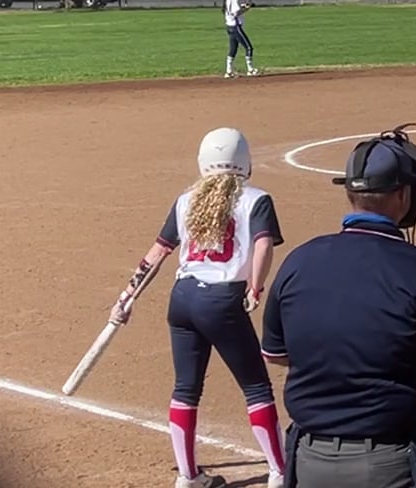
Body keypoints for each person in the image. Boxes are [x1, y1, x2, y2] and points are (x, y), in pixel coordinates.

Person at [262, 128, 416, 488]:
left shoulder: (298, 262)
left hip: (309, 462)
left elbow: (277, 355)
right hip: (393, 467)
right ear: (403, 194)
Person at [110, 128, 288, 488]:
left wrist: (127, 297)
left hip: (183, 299)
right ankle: (280, 471)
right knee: (256, 388)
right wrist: (255, 286)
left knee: (185, 388)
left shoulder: (186, 201)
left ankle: (188, 476)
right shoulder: (256, 199)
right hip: (221, 301)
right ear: (244, 162)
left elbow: (158, 253)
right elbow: (263, 245)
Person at [224, 0, 257, 78]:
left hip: (229, 26)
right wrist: (247, 8)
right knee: (248, 47)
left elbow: (234, 11)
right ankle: (250, 70)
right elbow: (236, 13)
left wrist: (244, 6)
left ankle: (228, 71)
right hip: (236, 27)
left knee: (233, 49)